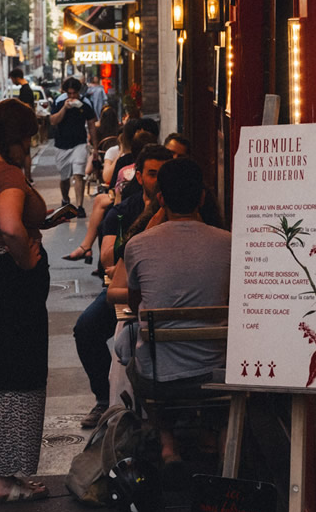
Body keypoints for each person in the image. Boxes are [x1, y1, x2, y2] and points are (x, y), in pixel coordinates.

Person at [0, 99, 74, 504]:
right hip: (11, 289)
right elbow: (9, 226)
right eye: (28, 136)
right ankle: (10, 480)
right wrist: (25, 256)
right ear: (17, 137)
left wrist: (37, 224)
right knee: (19, 380)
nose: (31, 143)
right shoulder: (8, 175)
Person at [108, 158, 232, 463]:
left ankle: (167, 443)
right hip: (217, 372)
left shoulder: (138, 245)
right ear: (202, 197)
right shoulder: (230, 244)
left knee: (136, 355)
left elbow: (137, 305)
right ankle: (210, 433)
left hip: (159, 379)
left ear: (161, 198)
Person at [72, 144, 172, 428]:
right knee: (86, 329)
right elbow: (106, 259)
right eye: (152, 174)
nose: (158, 180)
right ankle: (104, 399)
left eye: (164, 174)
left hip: (165, 296)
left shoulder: (182, 208)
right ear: (139, 177)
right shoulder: (123, 211)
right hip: (126, 289)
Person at [49, 77, 97, 215]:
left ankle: (80, 206)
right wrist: (65, 107)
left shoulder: (85, 103)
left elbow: (92, 125)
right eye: (69, 93)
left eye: (74, 93)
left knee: (78, 174)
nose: (72, 96)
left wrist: (95, 146)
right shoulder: (59, 101)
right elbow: (53, 121)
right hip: (61, 144)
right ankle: (65, 199)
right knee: (64, 177)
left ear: (78, 92)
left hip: (79, 143)